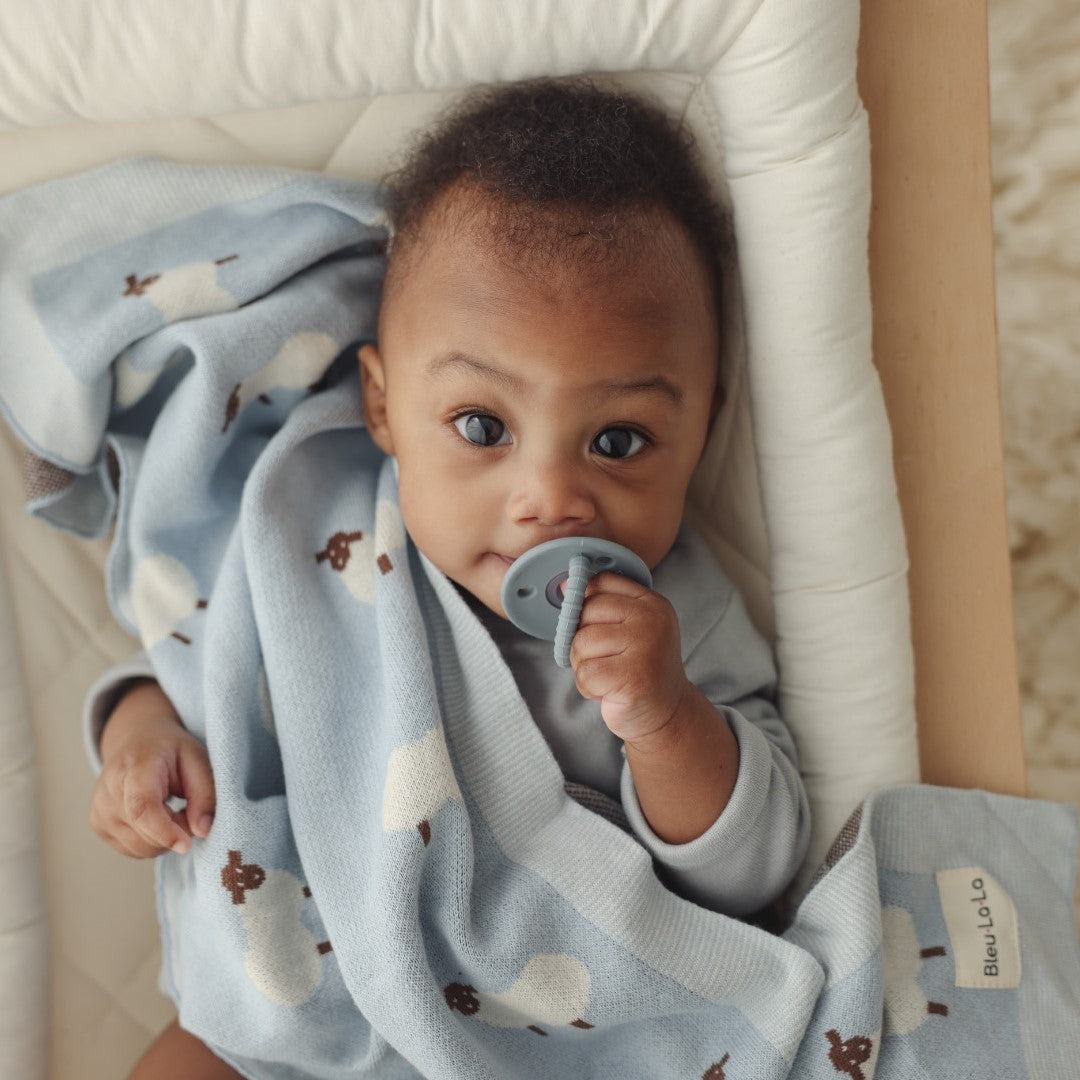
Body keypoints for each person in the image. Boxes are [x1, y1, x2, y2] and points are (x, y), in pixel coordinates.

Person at [85, 77, 810, 1078]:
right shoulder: (312, 523)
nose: (551, 496)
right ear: (382, 407)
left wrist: (667, 718)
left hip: (531, 1041)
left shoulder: (675, 611)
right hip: (298, 1012)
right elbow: (190, 663)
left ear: (701, 429)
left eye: (620, 438)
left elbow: (756, 864)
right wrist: (144, 744)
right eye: (482, 427)